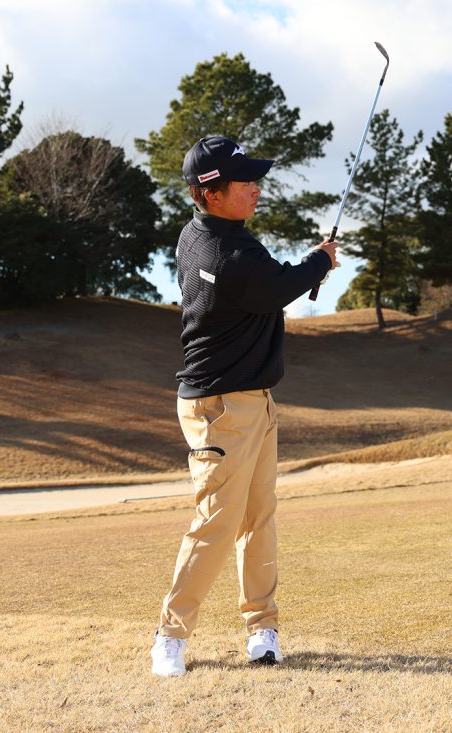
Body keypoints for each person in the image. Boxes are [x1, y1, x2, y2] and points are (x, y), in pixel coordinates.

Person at [150, 135, 337, 677]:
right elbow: (278, 286)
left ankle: (262, 629)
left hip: (252, 400)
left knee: (258, 518)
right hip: (221, 407)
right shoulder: (226, 255)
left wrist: (310, 267)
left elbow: (272, 283)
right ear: (211, 193)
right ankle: (169, 636)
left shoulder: (201, 234)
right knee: (217, 521)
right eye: (245, 182)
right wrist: (320, 260)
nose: (257, 189)